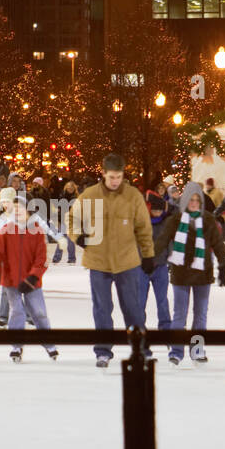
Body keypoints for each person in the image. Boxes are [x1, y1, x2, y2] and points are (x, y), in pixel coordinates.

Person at [66, 154, 155, 368]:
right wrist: (78, 236)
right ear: (103, 173)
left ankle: (140, 346)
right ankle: (103, 350)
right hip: (98, 262)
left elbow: (143, 227)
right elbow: (72, 218)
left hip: (127, 262)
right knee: (102, 308)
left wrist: (149, 254)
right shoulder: (89, 195)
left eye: (119, 177)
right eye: (112, 177)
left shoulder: (133, 196)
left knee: (133, 307)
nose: (115, 181)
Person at [153, 183, 225, 365]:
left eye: (197, 200)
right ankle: (176, 351)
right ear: (185, 200)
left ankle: (197, 350)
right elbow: (162, 240)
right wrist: (152, 259)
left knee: (200, 314)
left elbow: (218, 244)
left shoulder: (209, 219)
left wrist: (223, 266)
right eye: (191, 200)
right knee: (180, 313)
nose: (194, 203)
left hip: (203, 273)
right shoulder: (175, 220)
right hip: (181, 273)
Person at [0, 193, 58, 362]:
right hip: (11, 282)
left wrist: (32, 278)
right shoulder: (5, 231)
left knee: (39, 312)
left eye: (20, 209)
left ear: (28, 211)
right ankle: (16, 346)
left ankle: (49, 343)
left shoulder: (37, 231)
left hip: (32, 282)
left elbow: (41, 260)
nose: (17, 212)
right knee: (17, 311)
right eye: (14, 209)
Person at [143, 191, 174, 333]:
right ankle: (139, 329)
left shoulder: (166, 222)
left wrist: (170, 259)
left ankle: (165, 328)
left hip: (160, 266)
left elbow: (169, 242)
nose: (157, 213)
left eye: (159, 210)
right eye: (154, 210)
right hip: (142, 268)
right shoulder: (142, 223)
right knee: (139, 302)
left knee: (162, 301)